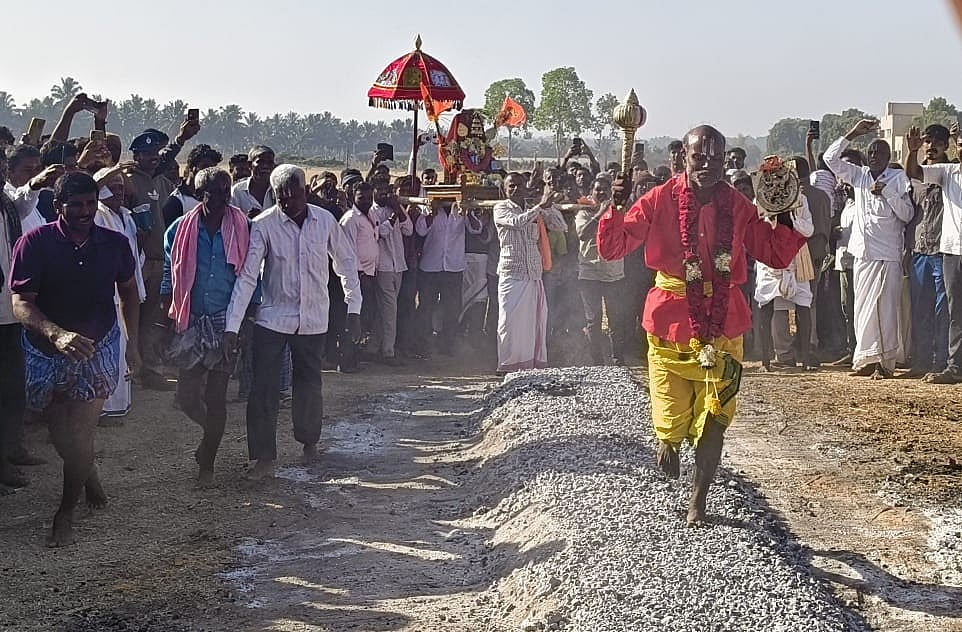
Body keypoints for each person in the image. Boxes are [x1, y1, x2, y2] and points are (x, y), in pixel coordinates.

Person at [597, 125, 806, 525]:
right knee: (671, 411)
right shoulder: (659, 199)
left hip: (724, 322)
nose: (706, 164)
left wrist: (782, 210)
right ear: (684, 159)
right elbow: (612, 247)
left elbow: (775, 254)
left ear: (725, 159)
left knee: (715, 418)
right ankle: (669, 441)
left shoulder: (739, 205)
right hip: (669, 321)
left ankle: (699, 498)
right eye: (698, 156)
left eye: (714, 157)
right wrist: (616, 206)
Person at [9, 172, 141, 546]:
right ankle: (87, 470)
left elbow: (129, 292)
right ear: (57, 207)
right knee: (59, 434)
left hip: (97, 347)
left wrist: (133, 344)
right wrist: (55, 333)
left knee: (81, 432)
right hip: (45, 349)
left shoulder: (114, 244)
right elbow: (20, 302)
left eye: (89, 204)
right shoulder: (34, 243)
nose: (85, 212)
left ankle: (65, 512)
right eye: (76, 205)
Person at [224, 165, 361, 479]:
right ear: (276, 196)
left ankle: (309, 441)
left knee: (309, 384)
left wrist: (354, 309)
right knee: (263, 389)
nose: (290, 203)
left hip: (314, 318)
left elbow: (346, 264)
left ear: (305, 192)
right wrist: (232, 326)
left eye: (295, 196)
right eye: (283, 198)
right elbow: (247, 277)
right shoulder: (262, 225)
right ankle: (263, 458)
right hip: (273, 317)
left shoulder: (325, 221)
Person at [162, 168, 250, 485]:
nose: (223, 197)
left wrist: (243, 322)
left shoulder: (243, 227)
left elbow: (252, 276)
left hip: (226, 322)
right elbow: (168, 273)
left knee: (217, 397)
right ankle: (209, 432)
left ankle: (207, 463)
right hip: (191, 321)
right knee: (187, 396)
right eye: (215, 192)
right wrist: (165, 313)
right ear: (201, 194)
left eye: (226, 191)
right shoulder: (179, 230)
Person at [825, 119, 913, 379]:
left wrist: (887, 193)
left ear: (888, 157)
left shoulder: (898, 178)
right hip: (863, 253)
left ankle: (884, 363)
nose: (874, 156)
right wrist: (852, 133)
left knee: (884, 309)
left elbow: (907, 214)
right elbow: (830, 159)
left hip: (887, 254)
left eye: (880, 153)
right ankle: (865, 358)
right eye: (871, 152)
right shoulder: (859, 175)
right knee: (862, 308)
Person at [121, 118, 199, 391]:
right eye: (148, 154)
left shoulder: (161, 182)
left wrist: (181, 139)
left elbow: (168, 160)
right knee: (130, 318)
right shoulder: (127, 181)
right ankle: (128, 371)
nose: (154, 158)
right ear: (136, 156)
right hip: (136, 262)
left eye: (156, 154)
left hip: (159, 261)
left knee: (152, 319)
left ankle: (149, 370)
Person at [904, 124, 962, 384]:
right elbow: (913, 173)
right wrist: (912, 151)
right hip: (936, 251)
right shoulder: (942, 174)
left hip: (943, 252)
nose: (932, 146)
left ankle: (946, 362)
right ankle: (936, 362)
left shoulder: (946, 171)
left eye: (937, 142)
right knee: (937, 310)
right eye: (927, 142)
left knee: (947, 312)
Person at [493, 173, 566, 373]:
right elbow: (517, 222)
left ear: (526, 187)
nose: (515, 189)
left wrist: (548, 207)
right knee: (508, 322)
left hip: (533, 274)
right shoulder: (500, 208)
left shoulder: (534, 208)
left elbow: (560, 226)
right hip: (512, 273)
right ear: (505, 190)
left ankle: (529, 365)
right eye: (511, 186)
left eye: (519, 186)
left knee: (532, 323)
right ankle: (507, 365)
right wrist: (539, 207)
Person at [93, 168, 146, 420]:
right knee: (108, 351)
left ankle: (117, 407)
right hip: (107, 295)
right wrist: (110, 170)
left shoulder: (126, 216)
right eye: (112, 186)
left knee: (126, 348)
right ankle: (102, 409)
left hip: (127, 291)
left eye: (121, 186)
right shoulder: (97, 216)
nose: (119, 190)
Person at [753, 191, 816, 371]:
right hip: (770, 261)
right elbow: (756, 229)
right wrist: (770, 220)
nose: (777, 185)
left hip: (796, 258)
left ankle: (805, 361)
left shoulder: (800, 199)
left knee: (803, 307)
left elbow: (809, 230)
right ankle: (765, 361)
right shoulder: (761, 199)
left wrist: (791, 218)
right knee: (765, 307)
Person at [415, 195, 481, 356]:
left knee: (452, 308)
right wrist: (431, 212)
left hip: (453, 267)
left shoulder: (460, 210)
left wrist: (467, 211)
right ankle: (423, 343)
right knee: (426, 307)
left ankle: (447, 343)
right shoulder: (429, 209)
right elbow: (421, 230)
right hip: (430, 267)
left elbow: (476, 228)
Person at [575, 177, 628, 365]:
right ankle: (597, 362)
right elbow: (582, 234)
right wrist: (600, 213)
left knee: (616, 320)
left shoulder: (618, 212)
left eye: (606, 190)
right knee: (593, 321)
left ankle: (617, 361)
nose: (602, 193)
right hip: (589, 274)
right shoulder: (583, 213)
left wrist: (610, 212)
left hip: (614, 274)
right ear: (592, 192)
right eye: (598, 190)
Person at [371, 180, 413, 365]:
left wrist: (398, 210)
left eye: (386, 191)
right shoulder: (371, 212)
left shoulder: (394, 209)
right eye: (379, 190)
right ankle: (388, 351)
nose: (383, 194)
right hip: (384, 267)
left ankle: (373, 347)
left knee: (386, 310)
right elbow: (382, 232)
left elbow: (409, 230)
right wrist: (395, 214)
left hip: (398, 265)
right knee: (390, 310)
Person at [339, 182, 380, 369]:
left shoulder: (371, 214)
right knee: (352, 316)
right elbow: (347, 250)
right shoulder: (350, 219)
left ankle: (355, 357)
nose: (366, 201)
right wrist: (359, 272)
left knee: (363, 317)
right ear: (353, 197)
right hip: (356, 275)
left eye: (369, 197)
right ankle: (347, 360)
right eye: (361, 197)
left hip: (369, 273)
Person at [162, 144, 223, 227]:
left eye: (212, 169)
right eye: (204, 167)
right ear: (191, 167)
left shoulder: (216, 198)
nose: (208, 172)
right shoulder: (177, 201)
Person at [231, 145, 275, 217]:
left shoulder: (277, 190)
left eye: (270, 162)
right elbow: (231, 221)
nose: (265, 166)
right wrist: (246, 219)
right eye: (260, 162)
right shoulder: (237, 191)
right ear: (250, 165)